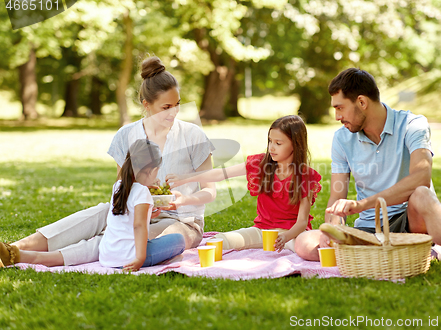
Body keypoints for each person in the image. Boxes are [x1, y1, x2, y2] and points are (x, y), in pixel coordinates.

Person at [1, 56, 216, 268]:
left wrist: (182, 200)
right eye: (166, 107)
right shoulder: (126, 135)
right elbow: (122, 187)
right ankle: (11, 249)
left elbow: (210, 191)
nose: (174, 112)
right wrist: (142, 201)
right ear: (146, 105)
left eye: (177, 104)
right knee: (93, 216)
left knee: (121, 239)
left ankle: (30, 258)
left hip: (182, 222)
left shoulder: (193, 135)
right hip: (135, 209)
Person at [294, 68, 441, 286]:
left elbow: (421, 176)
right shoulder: (342, 139)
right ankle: (418, 252)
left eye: (340, 108)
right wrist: (333, 225)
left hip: (408, 221)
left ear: (362, 102)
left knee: (422, 194)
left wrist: (362, 204)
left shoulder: (413, 124)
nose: (337, 117)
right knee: (304, 242)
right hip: (368, 230)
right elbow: (338, 194)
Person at [166, 115, 322, 253]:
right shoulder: (261, 164)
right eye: (270, 141)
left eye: (278, 143)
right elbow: (222, 173)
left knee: (307, 249)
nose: (271, 147)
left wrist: (285, 237)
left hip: (293, 235)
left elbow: (302, 221)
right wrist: (185, 178)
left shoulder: (305, 176)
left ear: (295, 144)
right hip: (262, 231)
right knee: (217, 241)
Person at [99, 139, 185, 271]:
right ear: (152, 170)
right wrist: (140, 259)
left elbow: (126, 217)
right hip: (129, 258)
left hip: (107, 256)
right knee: (179, 240)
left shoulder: (118, 186)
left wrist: (148, 215)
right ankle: (155, 259)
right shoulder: (142, 191)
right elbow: (138, 226)